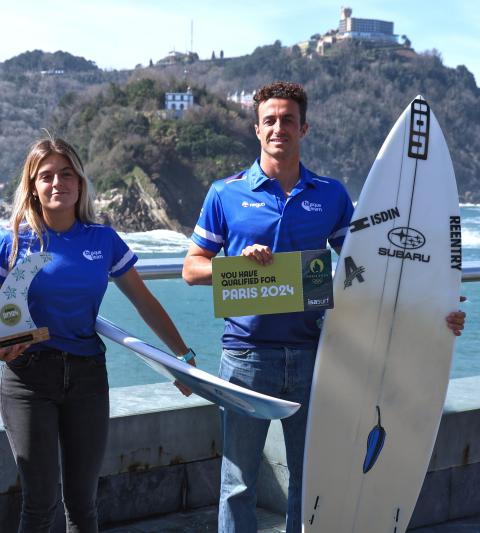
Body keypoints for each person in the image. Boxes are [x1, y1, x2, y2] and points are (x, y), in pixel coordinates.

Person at [181, 81, 466, 533]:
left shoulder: (331, 195)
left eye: (288, 120)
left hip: (317, 355)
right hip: (246, 355)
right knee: (237, 482)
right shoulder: (226, 193)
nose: (279, 128)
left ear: (304, 128)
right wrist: (236, 266)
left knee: (310, 477)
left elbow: (369, 266)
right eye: (270, 120)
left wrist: (431, 306)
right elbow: (192, 268)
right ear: (257, 130)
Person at [0, 136, 195, 533]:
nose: (58, 182)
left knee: (83, 506)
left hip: (87, 378)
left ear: (80, 182)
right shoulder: (13, 241)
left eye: (66, 174)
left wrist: (181, 357)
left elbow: (144, 302)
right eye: (46, 176)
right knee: (39, 506)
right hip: (27, 378)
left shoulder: (103, 240)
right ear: (33, 186)